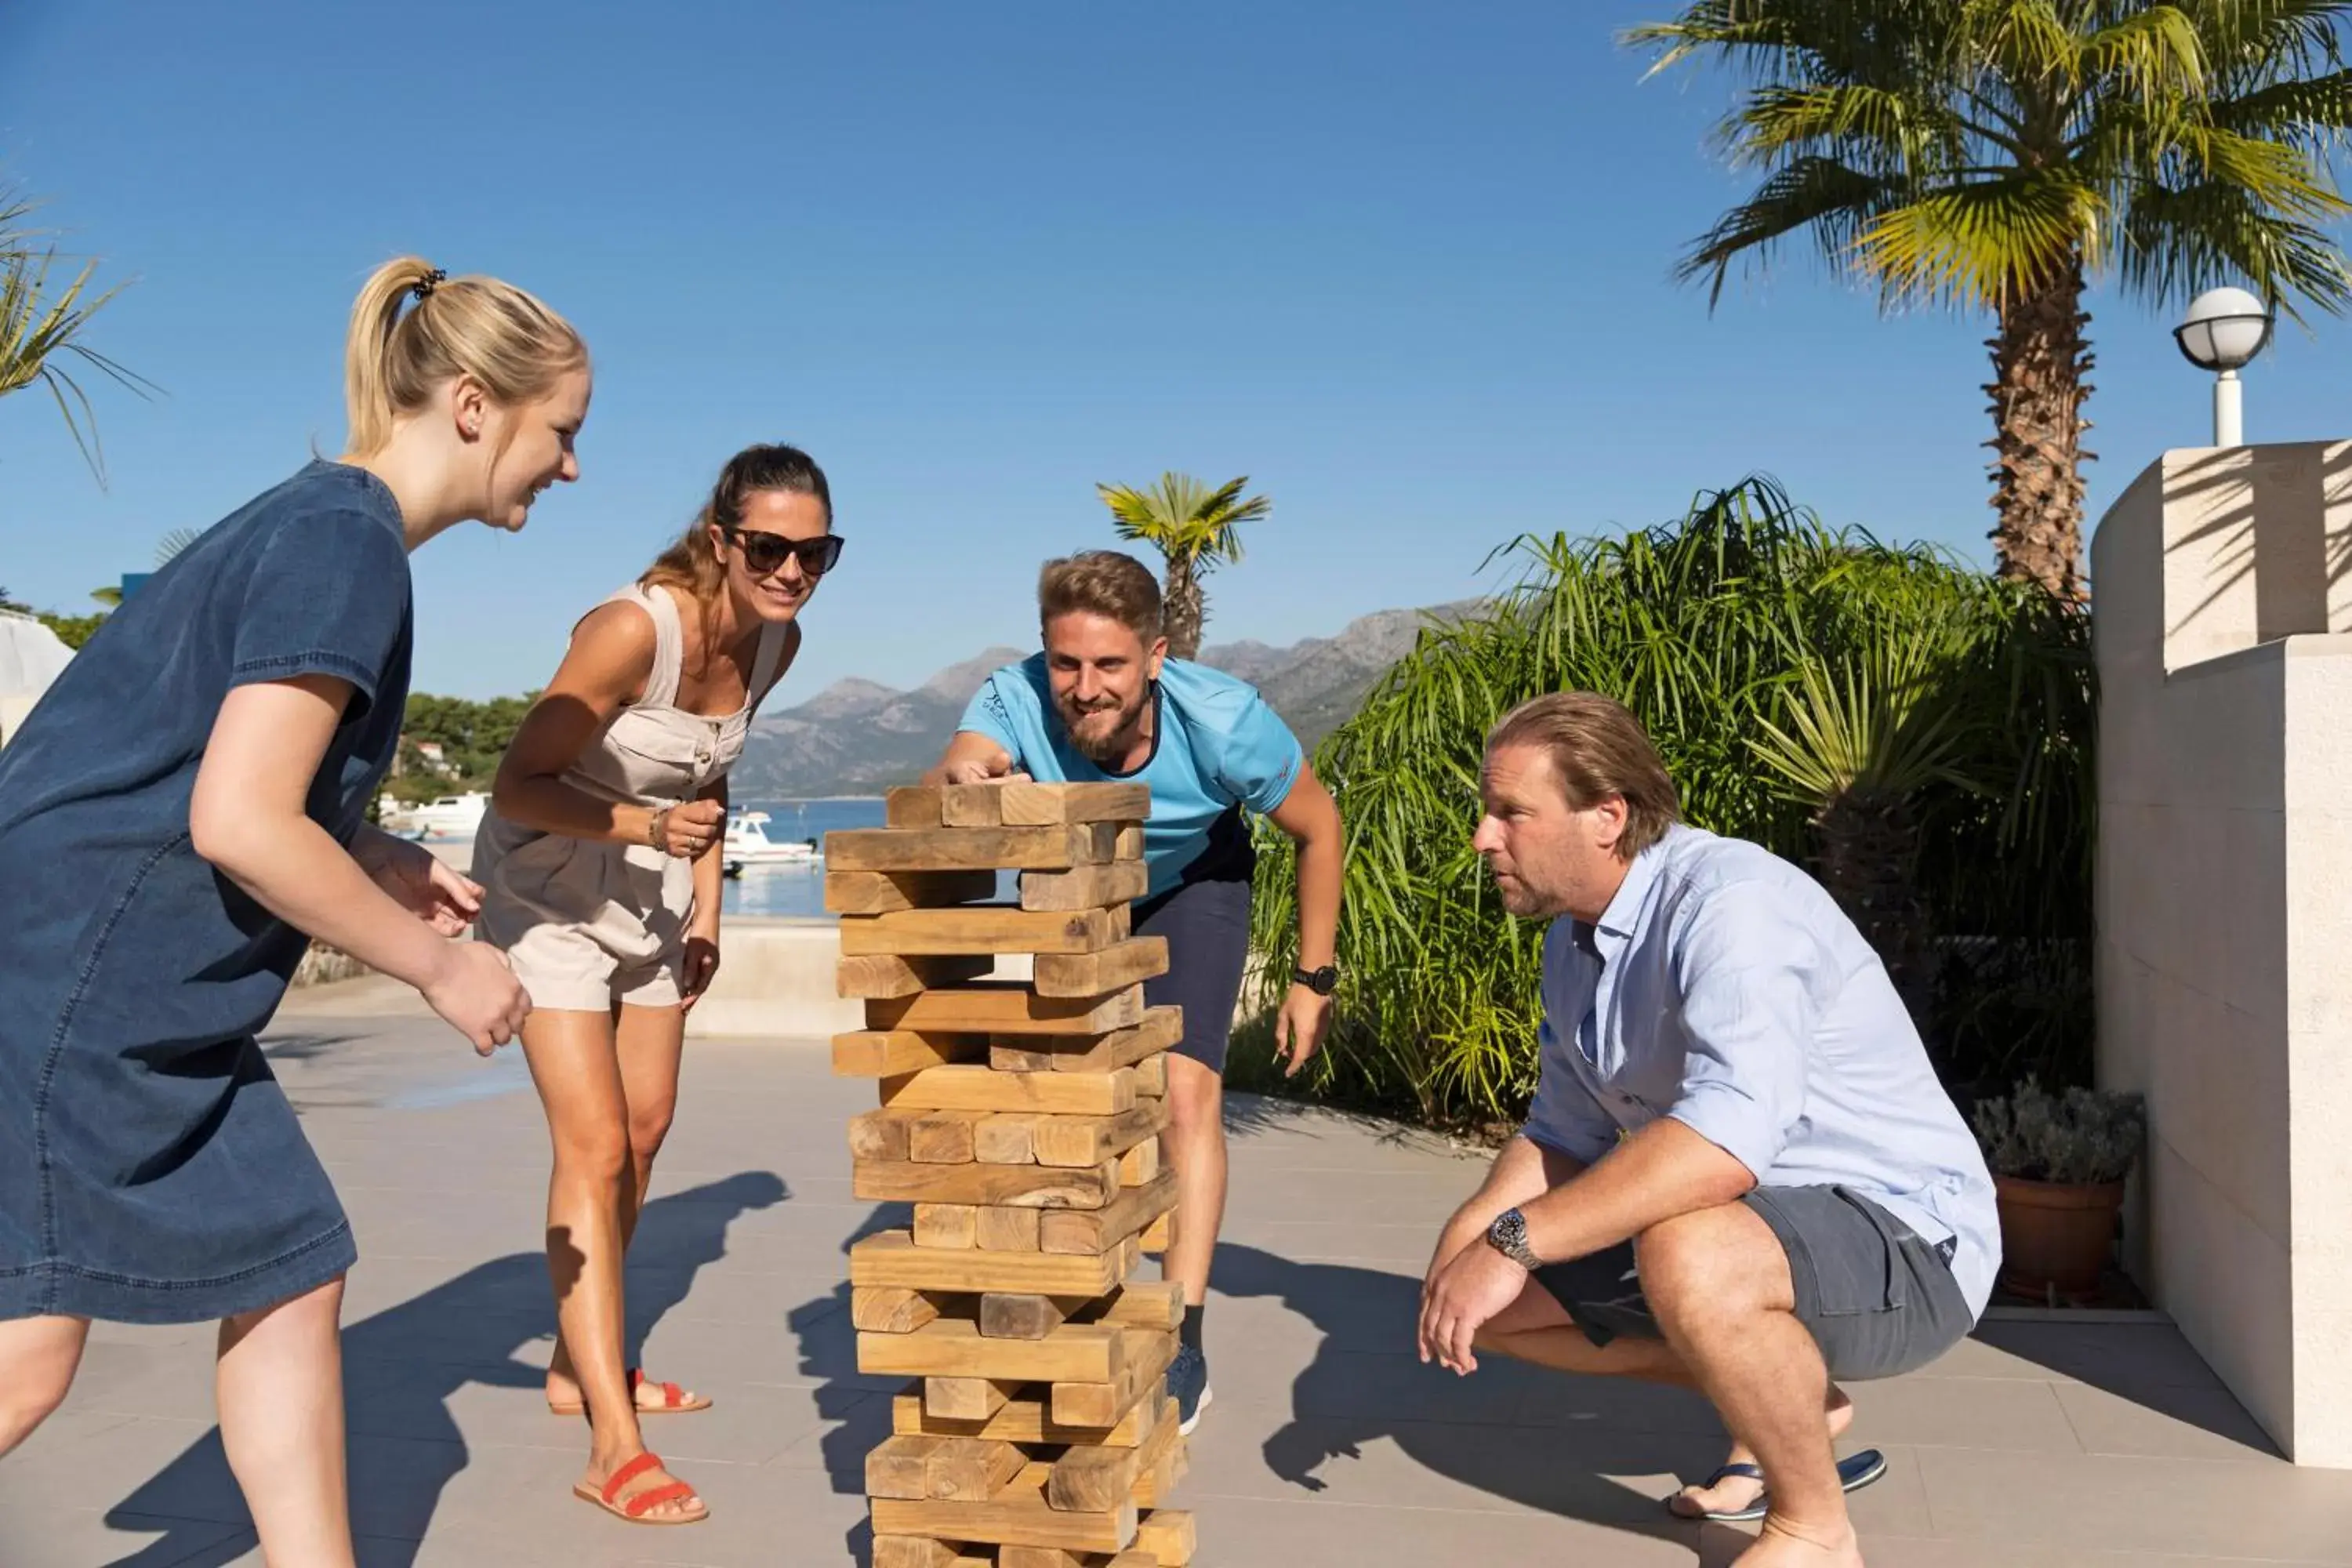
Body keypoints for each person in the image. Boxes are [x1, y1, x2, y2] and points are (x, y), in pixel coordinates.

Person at [0, 257, 583, 1564]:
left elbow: (205, 758)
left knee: (288, 1261)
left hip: (132, 983)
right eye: (565, 433)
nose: (572, 467)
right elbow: (238, 823)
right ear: (479, 406)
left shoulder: (325, 524)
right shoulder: (346, 542)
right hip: (73, 979)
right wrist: (440, 966)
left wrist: (372, 848)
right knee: (28, 1352)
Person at [1417, 691, 1998, 1568]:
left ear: (1606, 816)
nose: (1483, 838)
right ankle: (1798, 1399)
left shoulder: (1733, 906)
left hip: (1910, 1241)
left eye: (1511, 813)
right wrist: (1469, 1249)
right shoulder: (1574, 943)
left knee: (1687, 1245)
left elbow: (1723, 1141)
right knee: (1481, 1308)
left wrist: (1516, 1240)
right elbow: (1560, 1133)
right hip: (1753, 1231)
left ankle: (1813, 1528)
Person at [471, 444, 837, 1525]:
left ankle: (571, 1361)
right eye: (769, 547)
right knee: (589, 1145)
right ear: (722, 536)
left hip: (657, 892)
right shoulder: (635, 628)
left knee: (644, 1130)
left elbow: (714, 768)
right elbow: (518, 781)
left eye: (816, 552)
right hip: (549, 891)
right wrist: (641, 826)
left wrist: (710, 898)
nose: (791, 569)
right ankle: (611, 1442)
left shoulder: (780, 641)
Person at [928, 549, 1344, 1433]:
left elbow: (1321, 825)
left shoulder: (1228, 721)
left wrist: (1313, 978)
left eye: (1110, 664)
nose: (1083, 687)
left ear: (1155, 656)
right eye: (1066, 662)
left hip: (1195, 882)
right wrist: (964, 776)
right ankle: (1065, 1286)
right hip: (1080, 882)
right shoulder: (1014, 693)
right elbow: (963, 759)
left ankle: (1181, 1327)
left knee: (1187, 1093)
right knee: (1068, 1101)